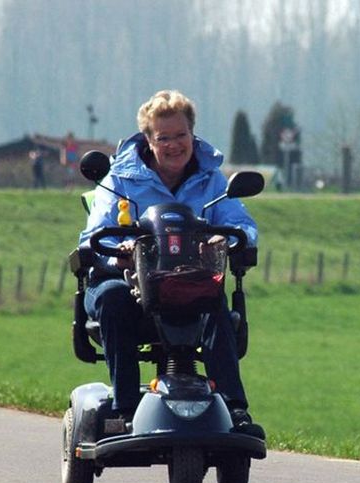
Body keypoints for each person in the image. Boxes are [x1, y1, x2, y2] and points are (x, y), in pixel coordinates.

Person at [78, 90, 263, 439]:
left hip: (187, 284)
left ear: (192, 134)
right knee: (113, 300)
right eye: (164, 138)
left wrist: (227, 239)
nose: (174, 145)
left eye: (181, 136)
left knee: (214, 303)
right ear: (149, 140)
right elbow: (92, 238)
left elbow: (243, 225)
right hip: (123, 281)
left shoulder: (212, 180)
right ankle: (126, 410)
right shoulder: (119, 179)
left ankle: (235, 408)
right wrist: (122, 248)